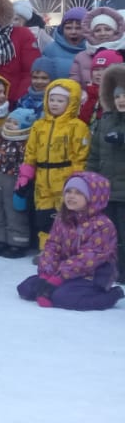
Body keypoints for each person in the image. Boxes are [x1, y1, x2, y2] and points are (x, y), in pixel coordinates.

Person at [16, 172, 124, 311]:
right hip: (65, 271)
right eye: (68, 191)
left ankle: (111, 296)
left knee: (62, 297)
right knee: (27, 288)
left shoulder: (102, 225)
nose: (71, 196)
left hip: (93, 275)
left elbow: (88, 258)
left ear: (93, 197)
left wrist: (57, 280)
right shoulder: (63, 218)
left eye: (78, 193)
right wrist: (46, 275)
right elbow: (52, 246)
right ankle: (58, 286)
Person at [20, 79, 89, 250]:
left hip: (65, 177)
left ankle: (65, 250)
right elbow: (31, 151)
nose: (55, 104)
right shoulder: (39, 126)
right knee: (43, 216)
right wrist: (26, 173)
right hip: (43, 177)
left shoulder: (77, 126)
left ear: (71, 102)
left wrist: (77, 178)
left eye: (60, 100)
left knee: (66, 215)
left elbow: (80, 154)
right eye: (52, 99)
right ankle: (47, 251)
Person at [87, 63, 125, 269]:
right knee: (109, 231)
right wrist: (90, 182)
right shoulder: (105, 122)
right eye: (118, 96)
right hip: (107, 191)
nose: (121, 100)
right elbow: (94, 155)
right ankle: (110, 266)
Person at [0, 108, 37, 259]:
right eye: (9, 121)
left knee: (14, 211)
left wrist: (24, 180)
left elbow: (28, 162)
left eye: (16, 123)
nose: (10, 125)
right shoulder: (0, 140)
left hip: (14, 179)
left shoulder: (24, 144)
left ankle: (18, 241)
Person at [70, 7, 125, 83]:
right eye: (97, 30)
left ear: (115, 31)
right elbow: (74, 81)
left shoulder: (123, 52)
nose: (103, 33)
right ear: (92, 33)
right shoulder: (81, 57)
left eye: (108, 29)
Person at [40, 7, 89, 77]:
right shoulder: (50, 50)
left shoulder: (94, 50)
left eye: (78, 28)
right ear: (62, 29)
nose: (73, 32)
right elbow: (40, 79)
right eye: (68, 28)